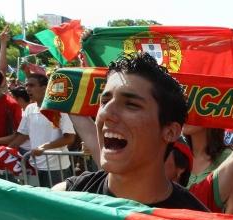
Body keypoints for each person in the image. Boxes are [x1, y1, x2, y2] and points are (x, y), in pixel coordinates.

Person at [54, 52, 206, 211]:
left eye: (131, 105)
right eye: (104, 101)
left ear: (170, 132)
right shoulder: (62, 201)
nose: (106, 113)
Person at [6, 74, 75, 186]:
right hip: (33, 167)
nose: (27, 88)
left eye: (32, 85)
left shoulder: (58, 108)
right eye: (26, 85)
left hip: (56, 169)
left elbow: (69, 137)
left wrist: (44, 147)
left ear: (44, 88)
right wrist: (6, 150)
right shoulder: (29, 109)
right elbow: (22, 135)